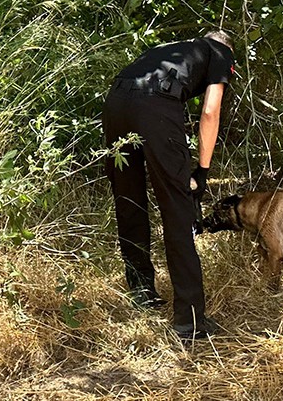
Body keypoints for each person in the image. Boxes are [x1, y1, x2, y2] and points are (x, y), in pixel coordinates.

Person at [101, 30, 235, 340]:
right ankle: (189, 320)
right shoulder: (220, 52)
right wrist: (201, 171)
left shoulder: (172, 48)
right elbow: (211, 110)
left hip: (117, 100)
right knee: (178, 208)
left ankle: (141, 291)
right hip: (156, 104)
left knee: (128, 198)